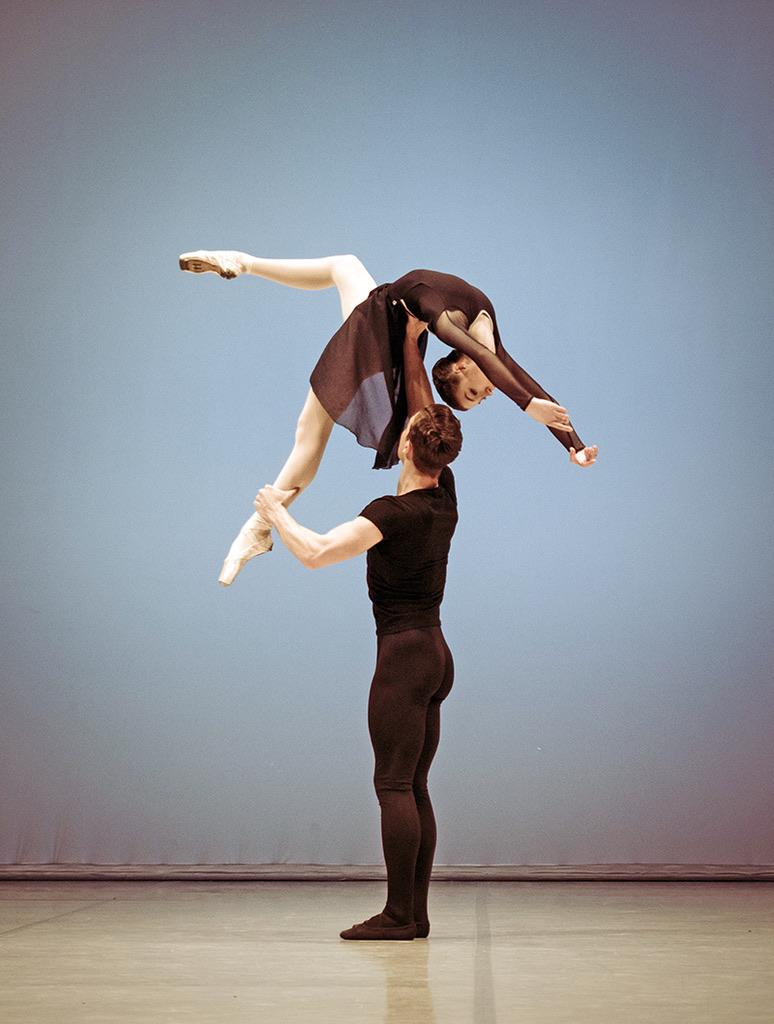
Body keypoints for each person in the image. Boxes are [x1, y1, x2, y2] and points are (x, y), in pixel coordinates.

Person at [179, 250, 598, 585]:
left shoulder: (453, 327)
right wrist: (562, 435)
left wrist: (558, 432)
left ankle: (258, 526)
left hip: (380, 334)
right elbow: (519, 380)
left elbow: (518, 383)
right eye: (474, 393)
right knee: (345, 265)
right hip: (381, 314)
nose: (487, 392)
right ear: (459, 364)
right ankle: (244, 262)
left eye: (477, 398)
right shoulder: (467, 335)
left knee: (310, 434)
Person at [254, 316, 460, 940]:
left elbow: (316, 553)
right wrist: (409, 343)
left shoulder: (390, 514)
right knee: (415, 784)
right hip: (435, 657)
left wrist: (273, 512)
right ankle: (415, 914)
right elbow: (423, 414)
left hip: (403, 659)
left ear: (406, 447)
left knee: (392, 784)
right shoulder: (444, 496)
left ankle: (399, 915)